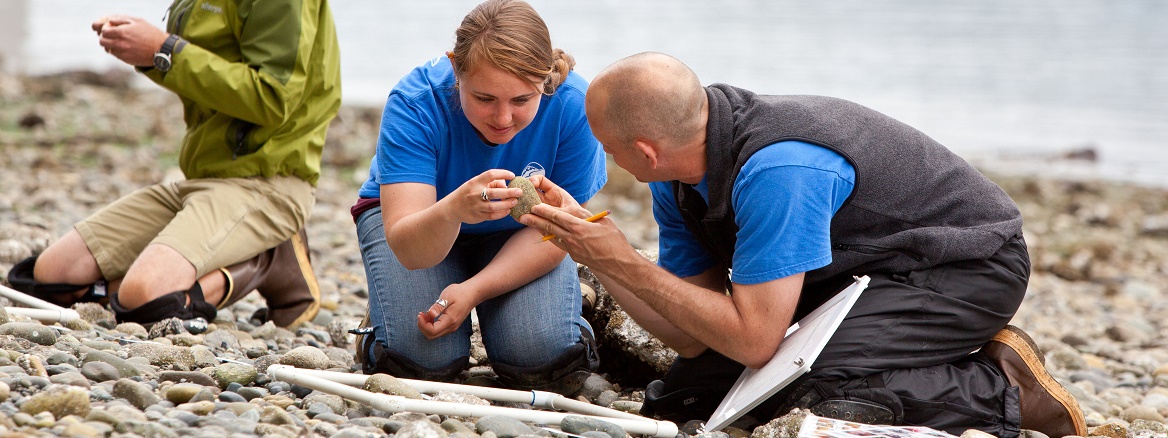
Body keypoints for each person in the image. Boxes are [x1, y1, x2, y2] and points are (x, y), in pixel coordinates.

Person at [520, 52, 1087, 437]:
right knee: (686, 399)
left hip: (961, 265)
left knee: (808, 392)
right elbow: (691, 338)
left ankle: (1002, 386)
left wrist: (619, 256)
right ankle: (912, 351)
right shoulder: (675, 177)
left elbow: (754, 341)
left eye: (610, 149)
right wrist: (590, 249)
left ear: (645, 150)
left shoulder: (778, 169)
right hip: (855, 272)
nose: (608, 159)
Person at [5, 0, 341, 328]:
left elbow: (274, 99)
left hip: (268, 182)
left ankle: (269, 257)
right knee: (52, 278)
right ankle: (189, 260)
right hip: (202, 179)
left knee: (145, 298)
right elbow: (205, 73)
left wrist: (163, 52)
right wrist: (146, 51)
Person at [349, 0, 606, 394]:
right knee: (422, 364)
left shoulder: (575, 105)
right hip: (418, 227)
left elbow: (562, 229)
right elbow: (411, 249)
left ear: (545, 81)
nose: (503, 119)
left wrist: (473, 291)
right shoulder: (416, 102)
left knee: (541, 358)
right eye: (485, 98)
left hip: (522, 233)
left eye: (522, 100)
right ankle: (384, 321)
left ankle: (569, 305)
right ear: (456, 69)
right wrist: (453, 208)